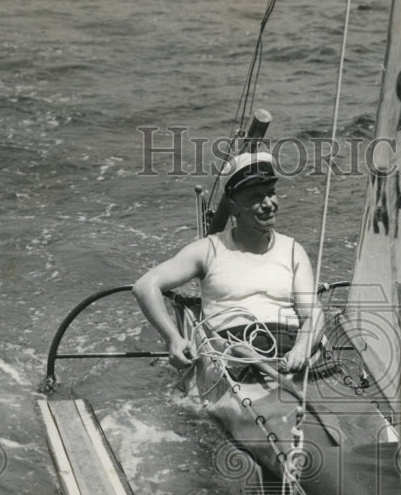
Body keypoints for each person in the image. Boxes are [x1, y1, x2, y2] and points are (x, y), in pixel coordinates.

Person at [132, 151, 325, 373]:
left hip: (289, 353)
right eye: (256, 198)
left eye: (271, 193)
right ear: (233, 207)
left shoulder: (293, 250)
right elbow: (145, 286)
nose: (268, 204)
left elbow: (313, 314)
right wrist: (173, 339)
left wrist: (301, 350)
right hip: (233, 358)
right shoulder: (208, 250)